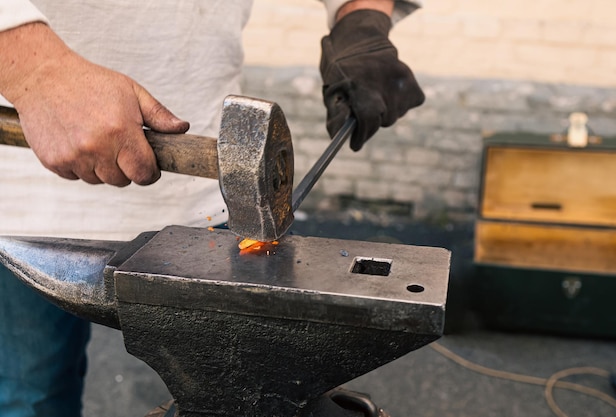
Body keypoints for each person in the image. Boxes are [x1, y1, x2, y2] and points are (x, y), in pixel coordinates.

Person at [0, 0, 424, 415]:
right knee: (32, 395)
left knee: (240, 388)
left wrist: (362, 20)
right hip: (31, 200)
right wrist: (37, 73)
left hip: (207, 211)